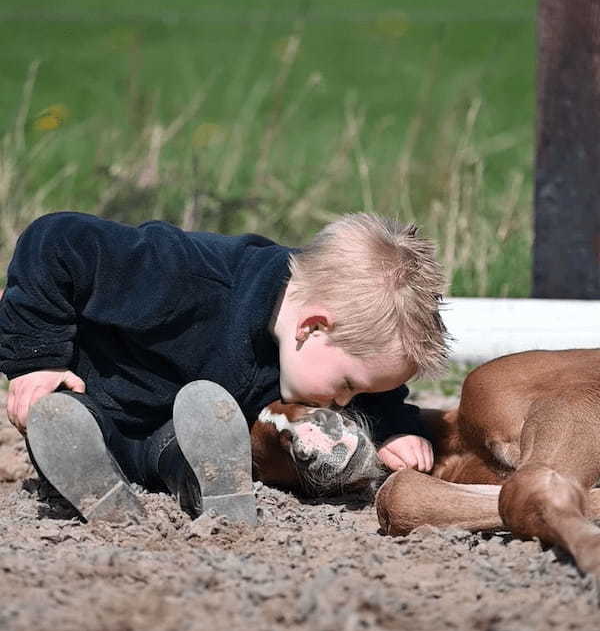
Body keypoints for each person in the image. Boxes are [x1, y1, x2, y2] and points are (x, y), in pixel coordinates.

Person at [0, 211, 448, 523]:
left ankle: (210, 483)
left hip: (170, 433)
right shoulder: (182, 274)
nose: (346, 402)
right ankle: (82, 468)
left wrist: (397, 428)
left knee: (199, 439)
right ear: (312, 326)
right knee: (64, 420)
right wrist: (37, 361)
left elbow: (379, 386)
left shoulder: (327, 337)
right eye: (347, 385)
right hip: (93, 399)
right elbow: (56, 240)